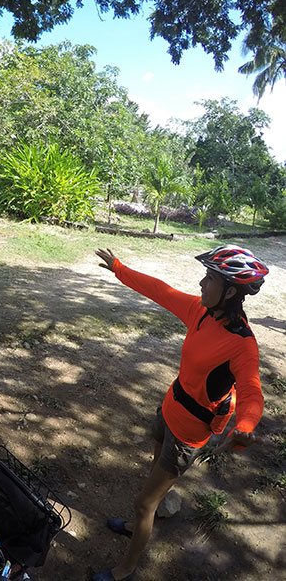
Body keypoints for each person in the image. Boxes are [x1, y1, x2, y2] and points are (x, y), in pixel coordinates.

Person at [92, 245, 269, 581]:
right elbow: (162, 290)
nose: (202, 284)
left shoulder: (241, 343)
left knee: (144, 503)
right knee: (154, 480)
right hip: (170, 407)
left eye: (210, 279)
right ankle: (141, 521)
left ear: (230, 291)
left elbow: (251, 390)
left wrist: (245, 426)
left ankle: (124, 569)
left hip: (191, 433)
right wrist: (118, 267)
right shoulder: (201, 311)